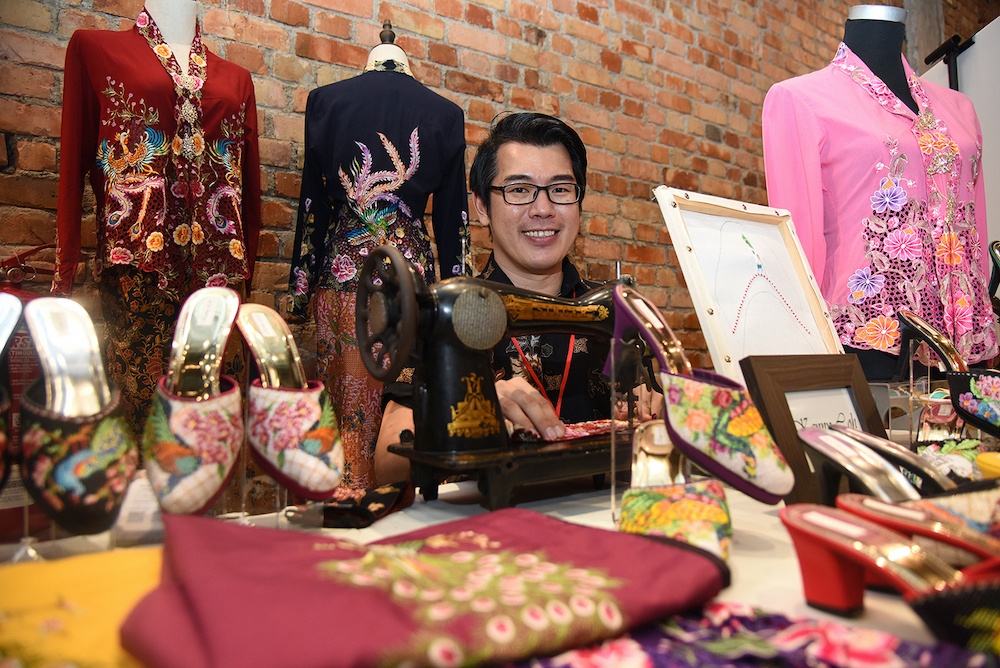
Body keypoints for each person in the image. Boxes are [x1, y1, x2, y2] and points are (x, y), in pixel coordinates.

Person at [373, 112, 656, 485]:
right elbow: (386, 463)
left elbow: (658, 420)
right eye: (519, 190)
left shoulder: (615, 312)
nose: (543, 209)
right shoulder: (442, 313)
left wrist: (662, 414)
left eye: (560, 189)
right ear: (481, 207)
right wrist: (475, 410)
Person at [762, 5, 996, 381]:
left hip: (961, 340)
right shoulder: (799, 99)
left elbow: (975, 223)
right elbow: (796, 240)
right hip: (868, 338)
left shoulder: (960, 109)